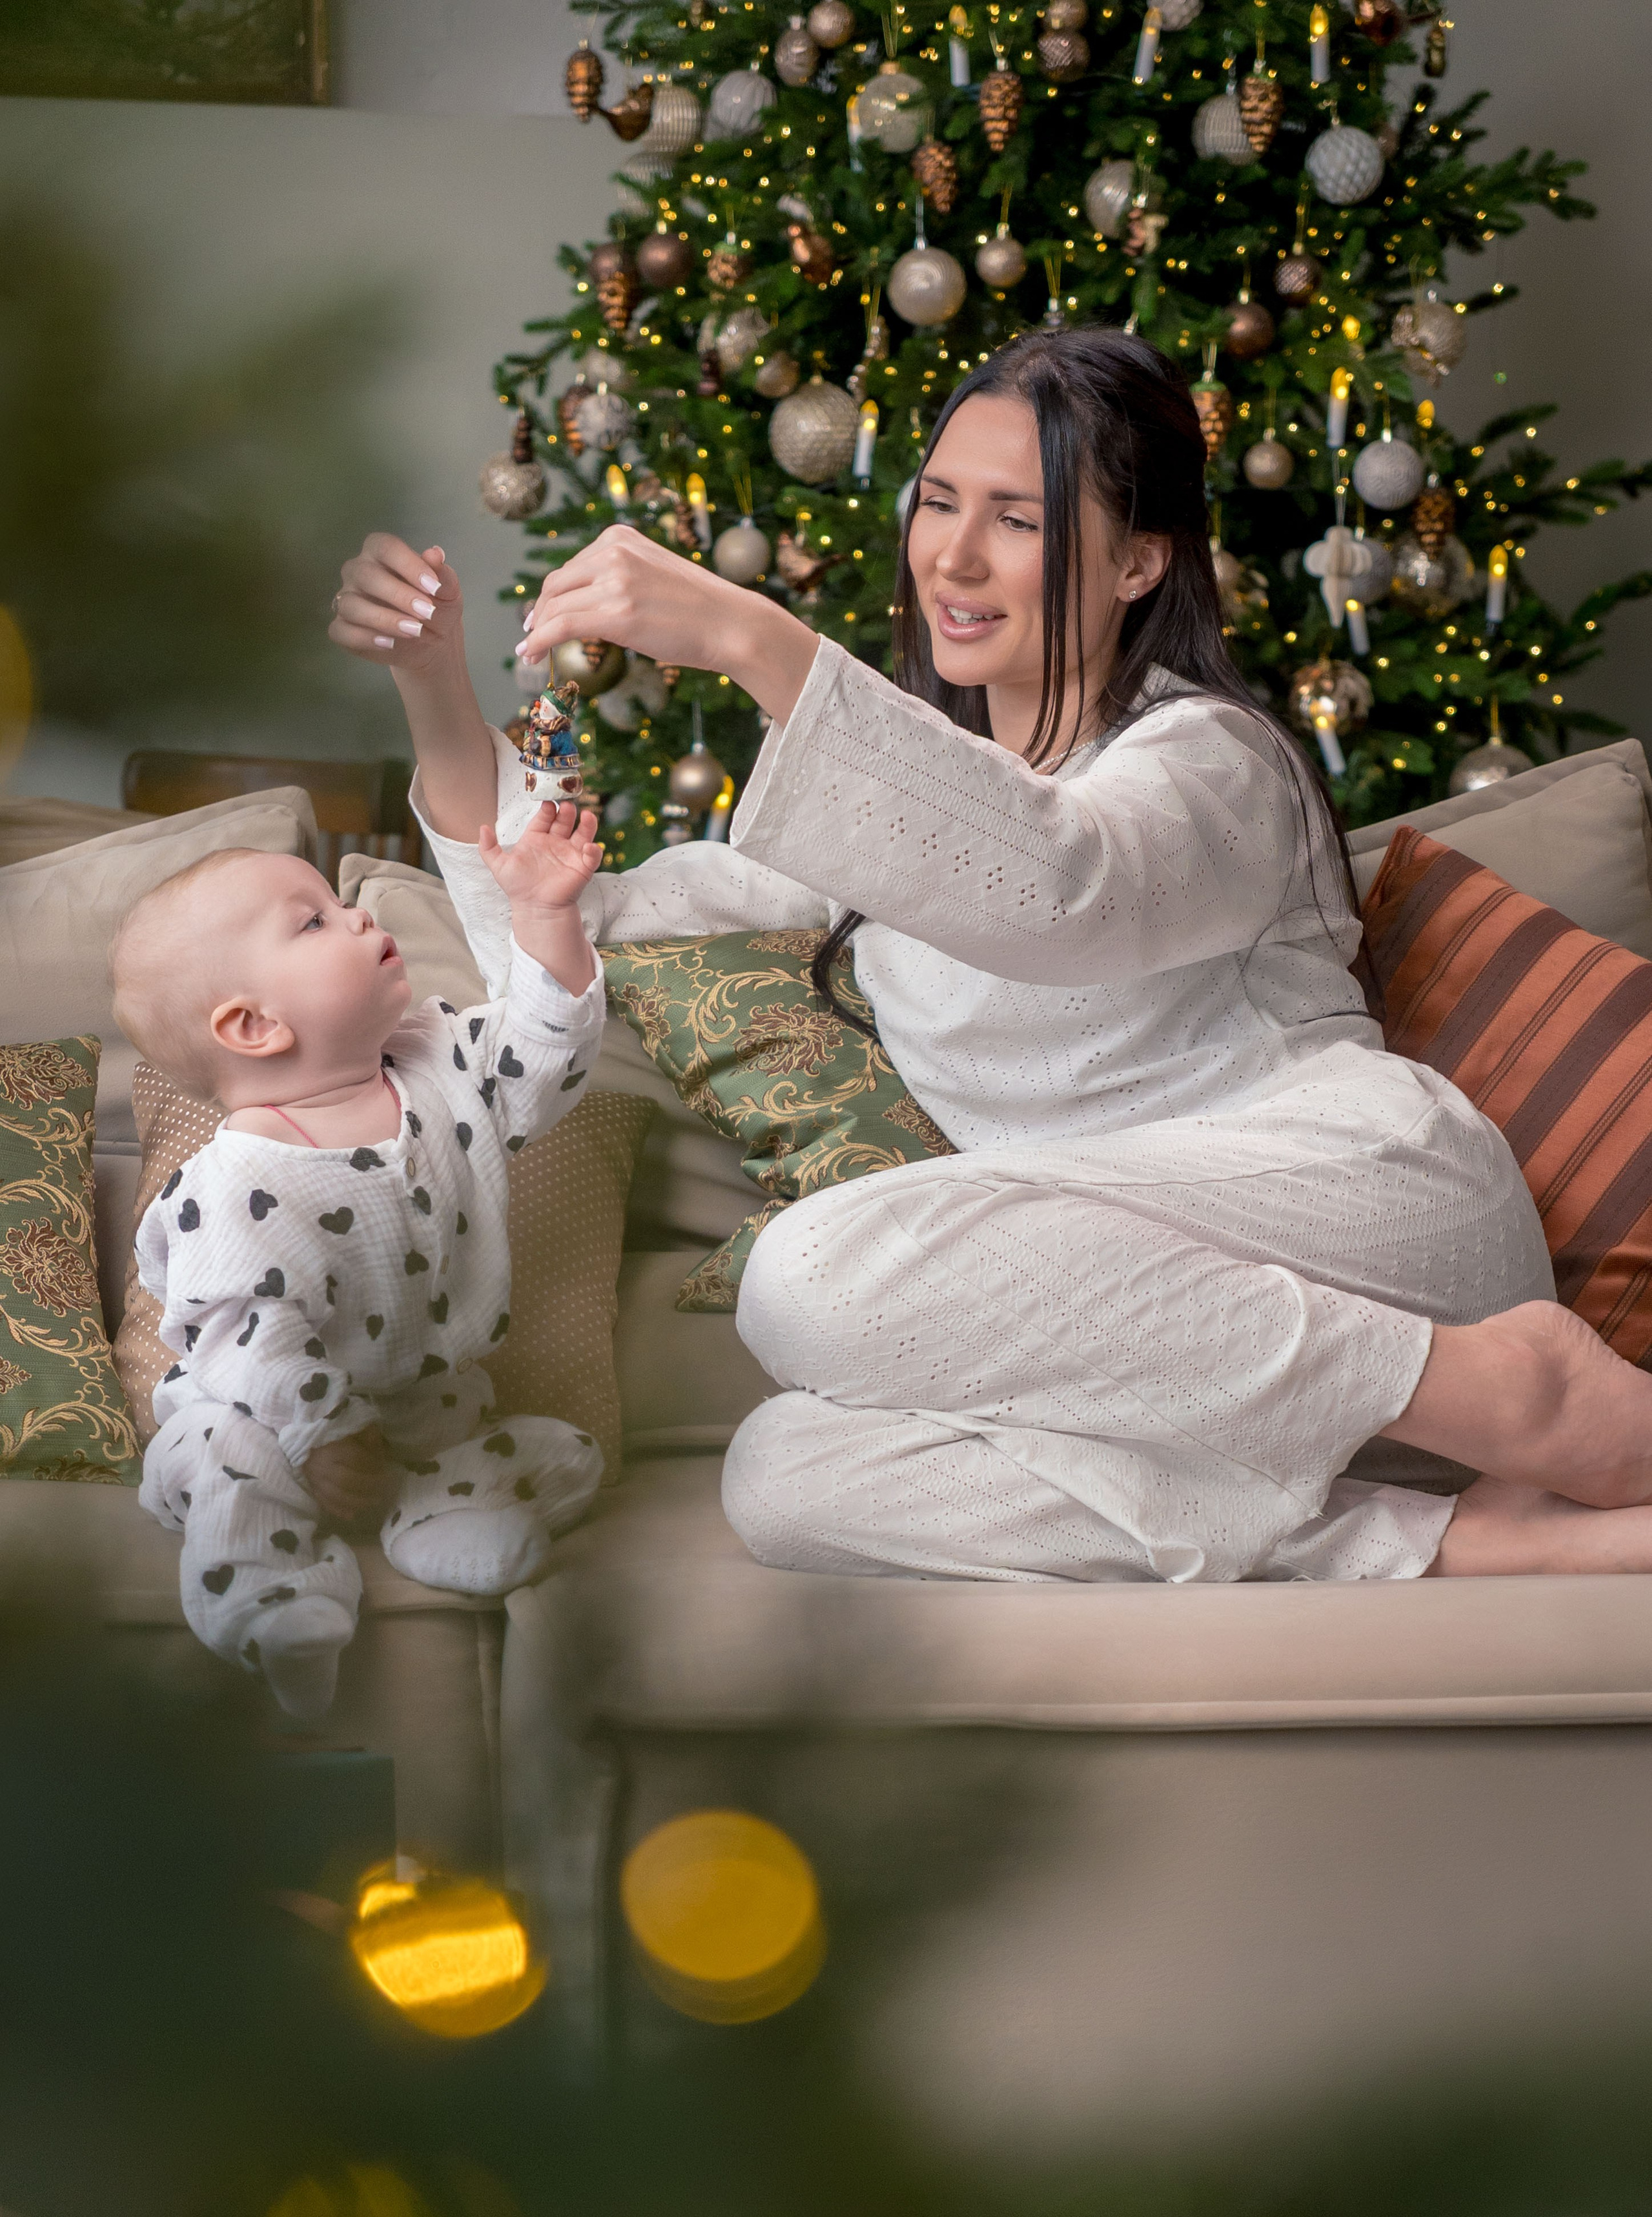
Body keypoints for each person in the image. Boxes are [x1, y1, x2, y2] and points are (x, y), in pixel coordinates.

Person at [332, 326, 1652, 1583]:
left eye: (1018, 521)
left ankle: (1513, 1388)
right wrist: (433, 685)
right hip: (1160, 1368)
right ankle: (1432, 1536)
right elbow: (566, 922)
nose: (953, 560)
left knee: (809, 1276)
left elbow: (1062, 885)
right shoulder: (891, 816)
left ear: (1138, 563)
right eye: (938, 503)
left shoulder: (1211, 761)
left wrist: (750, 638)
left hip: (1373, 1231)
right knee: (787, 1472)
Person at [110, 816, 607, 1716]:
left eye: (337, 903)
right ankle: (277, 1609)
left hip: (425, 1411)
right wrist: (325, 1437)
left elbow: (545, 1058)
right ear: (254, 1025)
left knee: (569, 1453)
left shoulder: (438, 1059)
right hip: (267, 1421)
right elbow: (249, 1337)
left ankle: (432, 1514)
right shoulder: (234, 1180)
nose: (358, 915)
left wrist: (544, 916)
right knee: (216, 1456)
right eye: (314, 921)